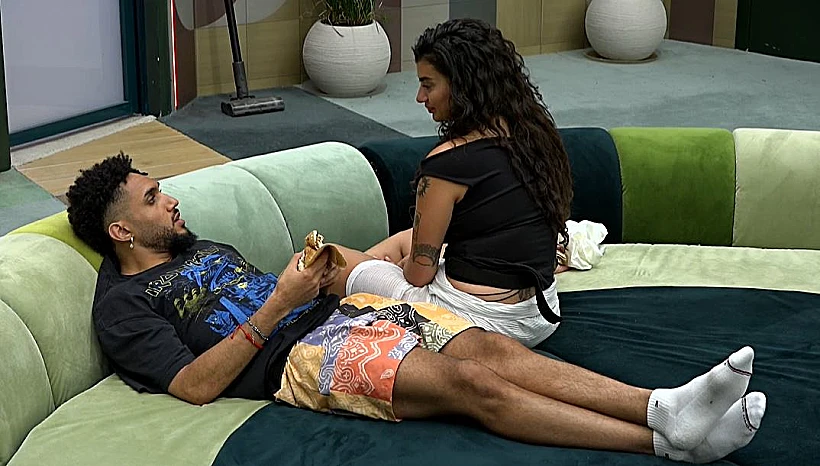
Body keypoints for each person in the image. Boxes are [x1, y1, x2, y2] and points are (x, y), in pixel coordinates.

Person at [65, 153, 766, 464]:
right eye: (154, 198)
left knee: (489, 348)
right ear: (121, 230)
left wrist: (321, 273)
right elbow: (193, 386)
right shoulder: (123, 306)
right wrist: (280, 302)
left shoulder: (198, 246)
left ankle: (659, 405)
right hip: (301, 359)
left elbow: (275, 293)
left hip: (341, 313)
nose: (172, 200)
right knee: (470, 383)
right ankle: (664, 444)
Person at [343, 18, 575, 348]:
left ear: (462, 85)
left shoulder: (446, 164)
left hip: (474, 323)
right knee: (405, 239)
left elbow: (418, 276)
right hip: (541, 315)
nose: (420, 97)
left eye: (428, 85)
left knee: (335, 263)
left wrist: (404, 266)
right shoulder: (536, 138)